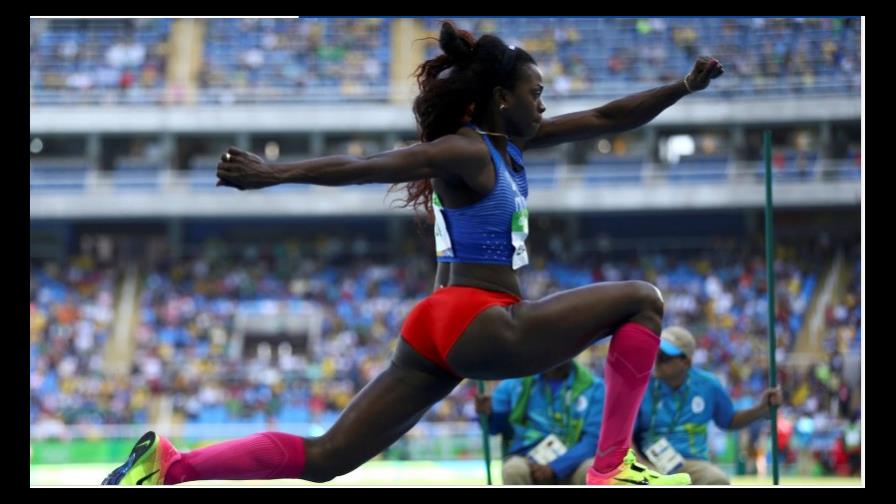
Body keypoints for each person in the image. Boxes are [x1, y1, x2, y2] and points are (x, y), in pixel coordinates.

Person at [102, 21, 724, 486]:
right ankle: (611, 467)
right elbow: (371, 165)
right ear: (501, 98)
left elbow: (611, 116)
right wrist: (276, 173)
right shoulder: (467, 149)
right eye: (535, 92)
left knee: (327, 458)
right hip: (480, 317)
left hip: (435, 326)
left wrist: (683, 87)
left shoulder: (511, 144)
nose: (543, 103)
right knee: (643, 301)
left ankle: (171, 467)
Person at [633, 326, 783, 485]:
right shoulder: (640, 385)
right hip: (647, 462)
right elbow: (626, 435)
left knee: (717, 480)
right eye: (656, 354)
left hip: (691, 463)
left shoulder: (708, 385)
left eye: (665, 357)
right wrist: (641, 464)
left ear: (686, 361)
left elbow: (729, 420)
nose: (657, 360)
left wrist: (760, 410)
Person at [474, 358, 604, 485]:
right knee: (513, 470)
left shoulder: (594, 387)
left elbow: (593, 440)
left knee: (591, 470)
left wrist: (556, 467)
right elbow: (496, 428)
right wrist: (489, 414)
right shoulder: (515, 383)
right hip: (527, 459)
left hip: (574, 461)